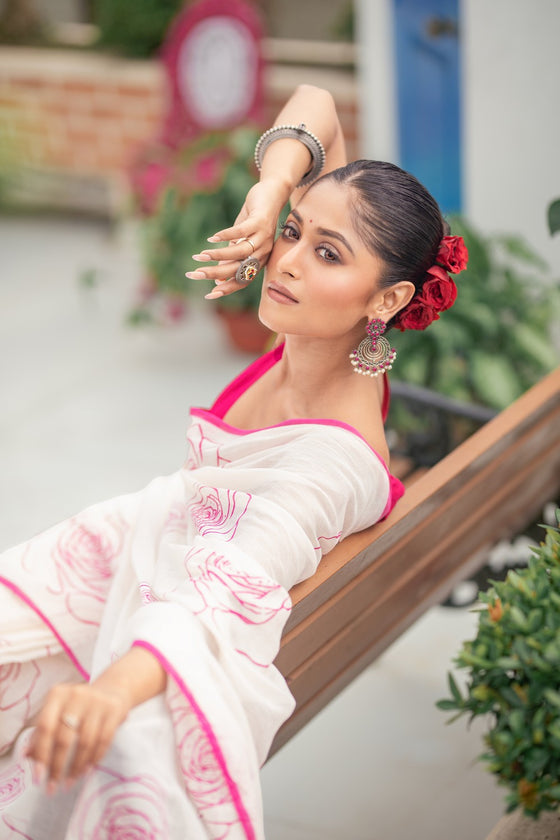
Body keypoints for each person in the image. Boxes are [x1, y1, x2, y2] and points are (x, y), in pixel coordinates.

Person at [0, 85, 467, 839]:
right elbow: (317, 102)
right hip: (139, 564)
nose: (287, 261)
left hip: (167, 609)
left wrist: (112, 690)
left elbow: (232, 583)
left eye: (327, 253)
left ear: (387, 301)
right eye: (294, 234)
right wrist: (273, 190)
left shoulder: (332, 465)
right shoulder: (316, 343)